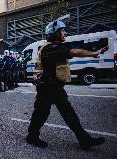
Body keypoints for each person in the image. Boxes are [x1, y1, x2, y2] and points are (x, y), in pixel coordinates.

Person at [26, 20, 106, 150]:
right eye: (62, 30)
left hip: (56, 87)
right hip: (46, 88)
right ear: (54, 33)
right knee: (41, 114)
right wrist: (93, 53)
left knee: (69, 113)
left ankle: (84, 139)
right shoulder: (50, 49)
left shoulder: (55, 48)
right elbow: (73, 52)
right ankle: (32, 136)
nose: (65, 33)